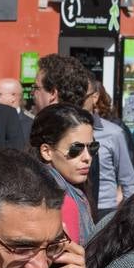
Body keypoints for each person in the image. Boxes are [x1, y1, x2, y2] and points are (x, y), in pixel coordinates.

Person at [31, 104, 97, 243]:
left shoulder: (73, 190)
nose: (87, 157)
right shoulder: (59, 201)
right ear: (47, 151)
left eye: (92, 147)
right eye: (76, 149)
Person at [83, 80, 134, 220]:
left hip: (105, 209)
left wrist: (129, 218)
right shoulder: (65, 132)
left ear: (94, 97)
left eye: (81, 97)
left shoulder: (114, 133)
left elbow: (128, 181)